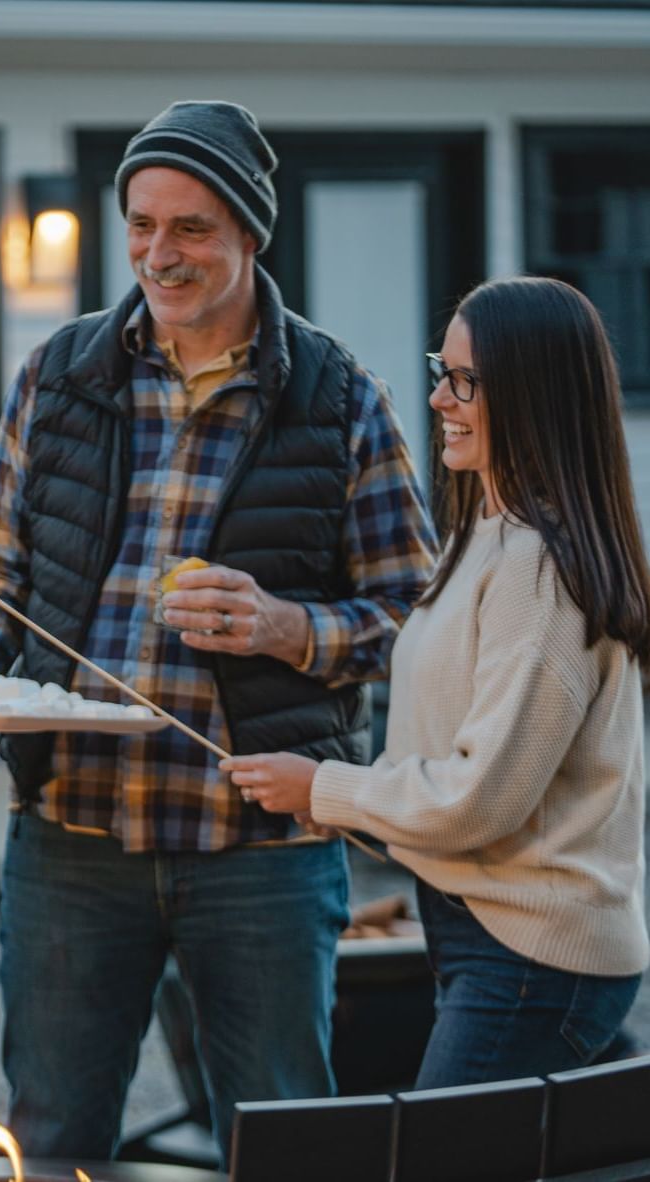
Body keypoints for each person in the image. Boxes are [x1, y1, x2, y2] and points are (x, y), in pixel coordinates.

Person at [0, 100, 438, 1161]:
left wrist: (288, 627)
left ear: (250, 233)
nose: (159, 252)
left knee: (283, 1135)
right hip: (71, 836)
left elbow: (415, 623)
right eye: (141, 224)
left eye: (189, 228)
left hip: (261, 850)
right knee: (52, 1139)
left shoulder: (339, 400)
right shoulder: (61, 376)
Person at [226, 276, 650, 1089]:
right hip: (491, 939)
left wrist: (324, 787)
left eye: (466, 381)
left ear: (535, 393)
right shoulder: (487, 534)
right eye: (441, 370)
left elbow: (478, 799)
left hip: (533, 958)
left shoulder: (537, 569)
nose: (437, 398)